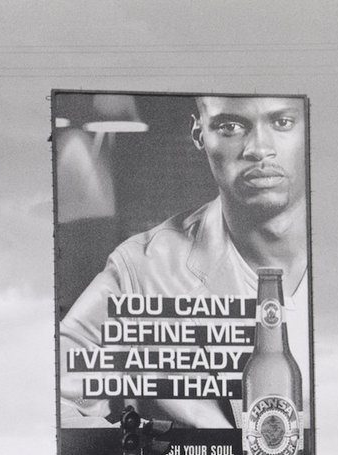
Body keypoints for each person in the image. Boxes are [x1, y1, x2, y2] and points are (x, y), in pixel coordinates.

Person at [59, 94, 311, 431]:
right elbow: (59, 394)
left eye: (282, 122)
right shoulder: (144, 269)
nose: (259, 148)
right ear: (199, 133)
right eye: (231, 126)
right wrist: (154, 454)